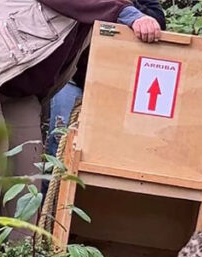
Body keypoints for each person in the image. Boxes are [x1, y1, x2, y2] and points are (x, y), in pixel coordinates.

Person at [0, 0, 163, 216]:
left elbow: (87, 68)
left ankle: (23, 249)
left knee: (28, 180)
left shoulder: (98, 12)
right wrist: (126, 13)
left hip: (21, 91)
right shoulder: (101, 6)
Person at [45, 0, 168, 157]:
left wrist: (129, 11)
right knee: (61, 139)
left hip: (112, 80)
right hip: (72, 74)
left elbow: (158, 22)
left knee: (107, 143)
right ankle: (52, 181)